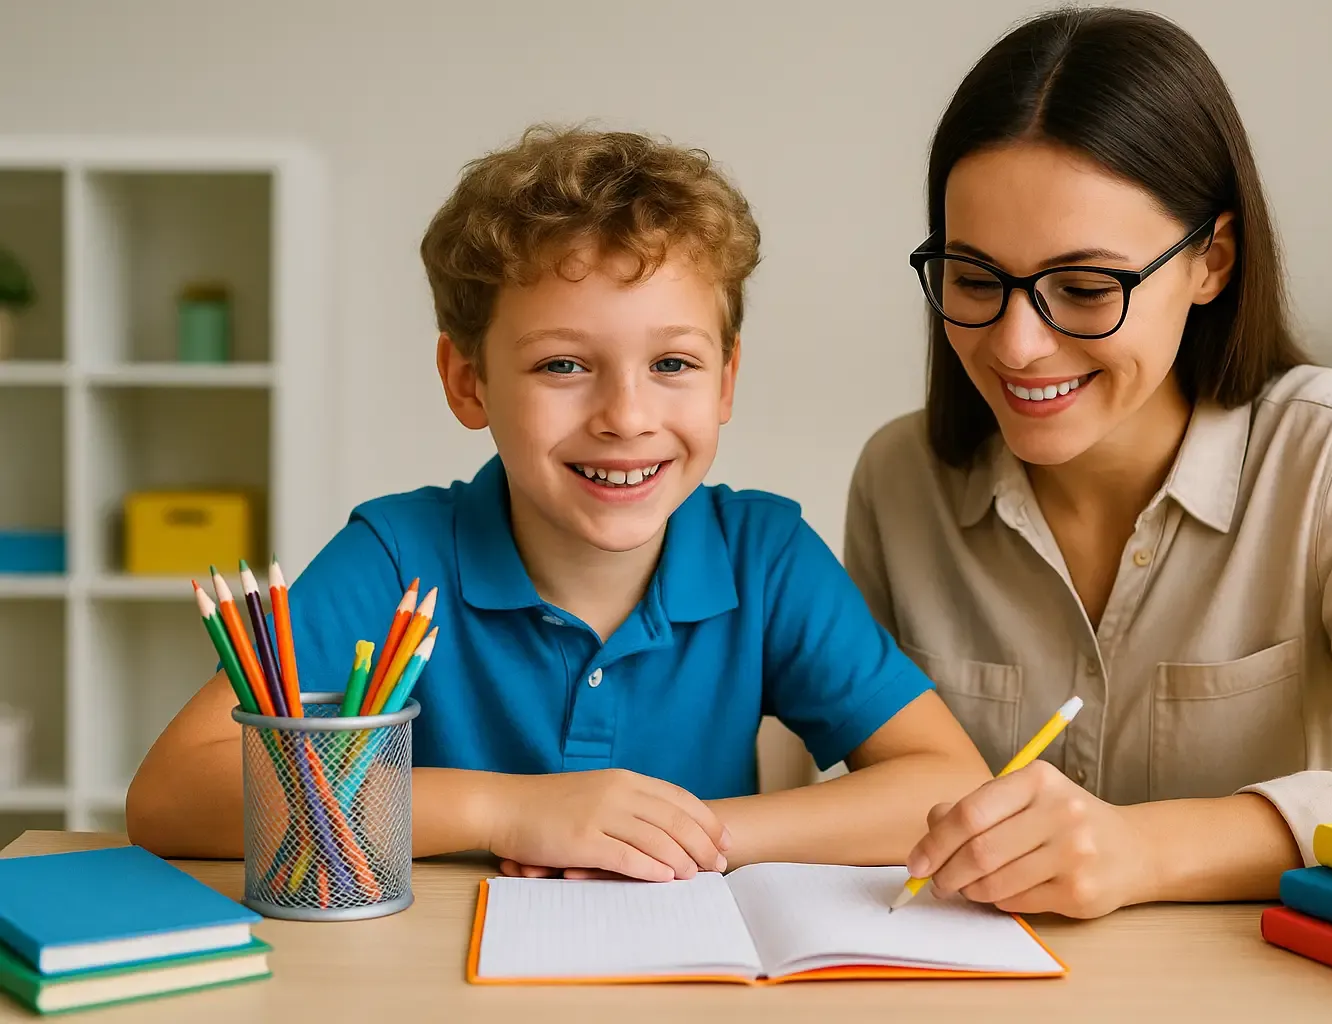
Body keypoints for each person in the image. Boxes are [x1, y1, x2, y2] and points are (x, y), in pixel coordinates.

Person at [127, 124, 992, 880]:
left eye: (673, 364)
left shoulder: (763, 555)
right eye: (563, 365)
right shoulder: (398, 557)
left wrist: (679, 835)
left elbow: (948, 783)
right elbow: (172, 795)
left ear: (726, 380)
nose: (626, 416)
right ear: (468, 382)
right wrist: (506, 811)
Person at [845, 7, 1332, 920]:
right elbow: (851, 780)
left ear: (1211, 261)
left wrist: (1149, 849)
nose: (1016, 345)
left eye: (1083, 288)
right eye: (975, 280)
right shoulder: (900, 478)